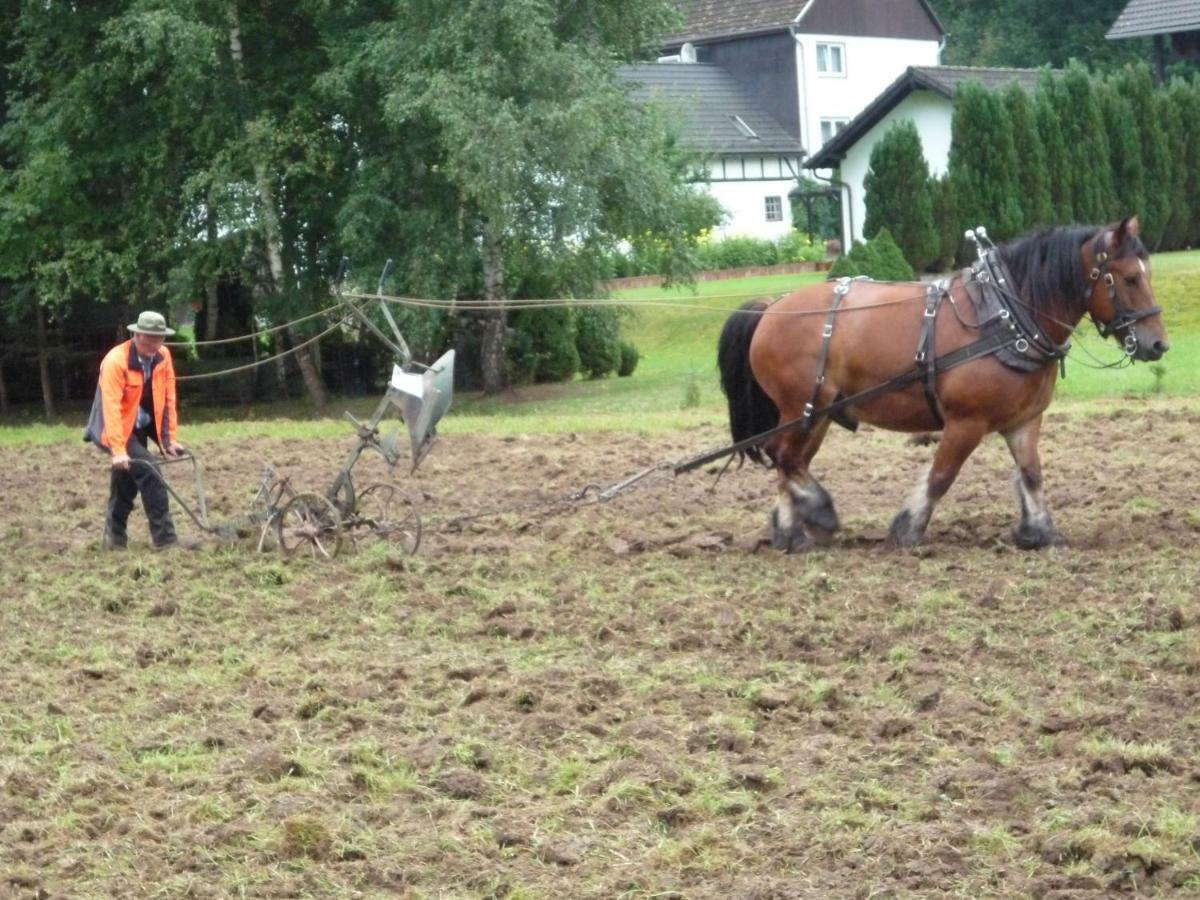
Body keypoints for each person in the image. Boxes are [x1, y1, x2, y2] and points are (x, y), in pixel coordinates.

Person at [84, 310, 187, 550]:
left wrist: (169, 439)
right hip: (112, 428)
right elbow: (110, 408)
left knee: (126, 483)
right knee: (151, 472)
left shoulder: (163, 357)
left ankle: (114, 539)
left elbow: (168, 398)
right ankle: (166, 540)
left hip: (138, 425)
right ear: (137, 334)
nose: (154, 344)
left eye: (159, 338)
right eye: (149, 338)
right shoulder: (115, 361)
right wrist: (118, 450)